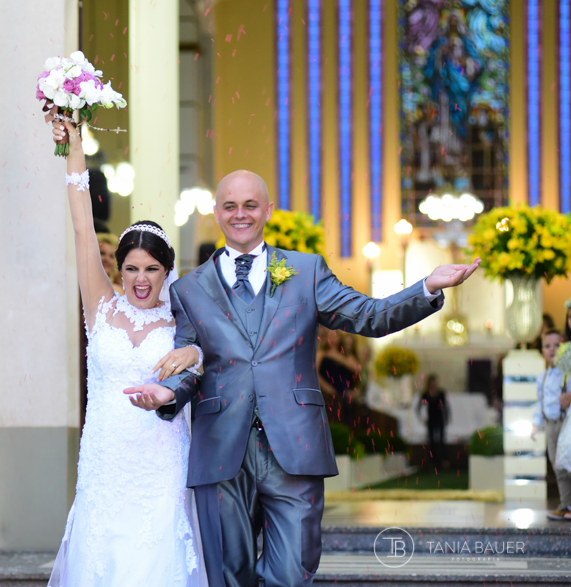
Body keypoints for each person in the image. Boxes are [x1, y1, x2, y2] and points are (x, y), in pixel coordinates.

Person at [124, 168, 480, 587]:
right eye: (231, 206)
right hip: (220, 450)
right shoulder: (189, 288)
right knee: (227, 576)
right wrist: (166, 393)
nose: (241, 214)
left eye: (251, 205)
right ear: (217, 213)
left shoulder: (306, 271)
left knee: (293, 572)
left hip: (294, 445)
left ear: (268, 211)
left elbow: (369, 316)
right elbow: (189, 361)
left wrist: (424, 288)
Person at [45, 106, 207, 586]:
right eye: (131, 268)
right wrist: (73, 145)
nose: (140, 279)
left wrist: (194, 353)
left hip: (160, 458)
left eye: (151, 269)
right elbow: (80, 227)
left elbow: (216, 352)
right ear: (118, 268)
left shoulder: (183, 316)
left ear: (167, 271)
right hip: (107, 456)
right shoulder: (101, 306)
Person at [531, 329, 571, 521]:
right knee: (556, 466)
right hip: (550, 425)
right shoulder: (542, 377)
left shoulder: (567, 373)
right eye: (548, 346)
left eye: (557, 345)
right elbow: (540, 403)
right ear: (542, 351)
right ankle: (565, 504)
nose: (552, 349)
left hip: (565, 424)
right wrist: (536, 424)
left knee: (567, 463)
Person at [417, 374, 450, 469]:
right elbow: (419, 407)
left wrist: (447, 417)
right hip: (431, 418)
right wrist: (421, 417)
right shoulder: (426, 394)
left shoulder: (441, 393)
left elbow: (445, 406)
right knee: (431, 440)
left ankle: (444, 460)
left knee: (442, 439)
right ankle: (433, 461)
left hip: (439, 418)